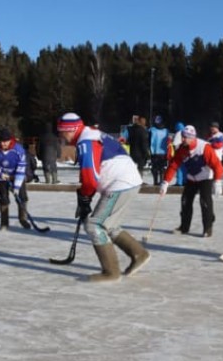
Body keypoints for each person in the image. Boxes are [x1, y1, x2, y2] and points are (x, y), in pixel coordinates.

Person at [57, 112, 150, 282]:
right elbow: (90, 173)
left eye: (62, 132)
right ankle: (139, 254)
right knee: (110, 225)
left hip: (120, 184)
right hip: (127, 181)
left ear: (71, 130)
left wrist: (85, 197)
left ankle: (111, 272)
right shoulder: (89, 134)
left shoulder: (86, 142)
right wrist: (84, 197)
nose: (61, 136)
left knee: (94, 226)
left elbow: (90, 176)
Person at [159, 125, 223, 238]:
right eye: (182, 137)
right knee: (185, 201)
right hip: (191, 178)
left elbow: (217, 165)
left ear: (192, 138)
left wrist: (217, 182)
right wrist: (165, 182)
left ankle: (207, 228)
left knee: (205, 202)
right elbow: (173, 165)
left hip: (205, 178)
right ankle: (184, 227)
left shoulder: (204, 147)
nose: (183, 139)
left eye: (185, 137)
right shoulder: (182, 149)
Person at [0, 128, 31, 230]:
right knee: (4, 199)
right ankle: (4, 222)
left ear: (10, 140)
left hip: (16, 175)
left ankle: (23, 219)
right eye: (1, 141)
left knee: (22, 197)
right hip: (2, 177)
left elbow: (21, 169)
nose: (3, 144)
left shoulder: (18, 150)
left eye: (6, 141)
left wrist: (16, 186)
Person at [127, 115, 150, 180]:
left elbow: (129, 141)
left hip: (132, 152)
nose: (145, 123)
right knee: (140, 168)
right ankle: (139, 180)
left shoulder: (131, 130)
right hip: (140, 154)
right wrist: (147, 154)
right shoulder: (142, 131)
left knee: (134, 168)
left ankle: (133, 180)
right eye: (144, 121)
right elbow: (144, 144)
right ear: (141, 122)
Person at [149, 115, 169, 186]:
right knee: (162, 167)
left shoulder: (151, 130)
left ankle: (155, 181)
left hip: (154, 152)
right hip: (163, 152)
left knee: (154, 167)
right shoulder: (166, 130)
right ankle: (161, 181)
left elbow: (148, 140)